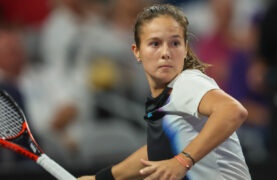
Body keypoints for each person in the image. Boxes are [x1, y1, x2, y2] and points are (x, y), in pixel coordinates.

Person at [78, 3, 251, 180]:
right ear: (137, 51)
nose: (166, 53)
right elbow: (155, 151)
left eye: (175, 43)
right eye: (155, 44)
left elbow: (232, 111)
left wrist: (182, 161)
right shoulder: (163, 100)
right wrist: (101, 178)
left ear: (185, 50)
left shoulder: (186, 82)